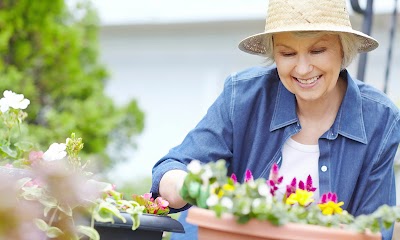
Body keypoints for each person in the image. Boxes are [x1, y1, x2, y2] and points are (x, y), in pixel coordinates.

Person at [151, 0, 400, 239]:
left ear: (343, 48)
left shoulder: (380, 119)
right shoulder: (243, 97)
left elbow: (377, 228)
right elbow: (171, 168)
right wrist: (188, 185)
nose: (303, 69)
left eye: (317, 50)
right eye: (288, 53)